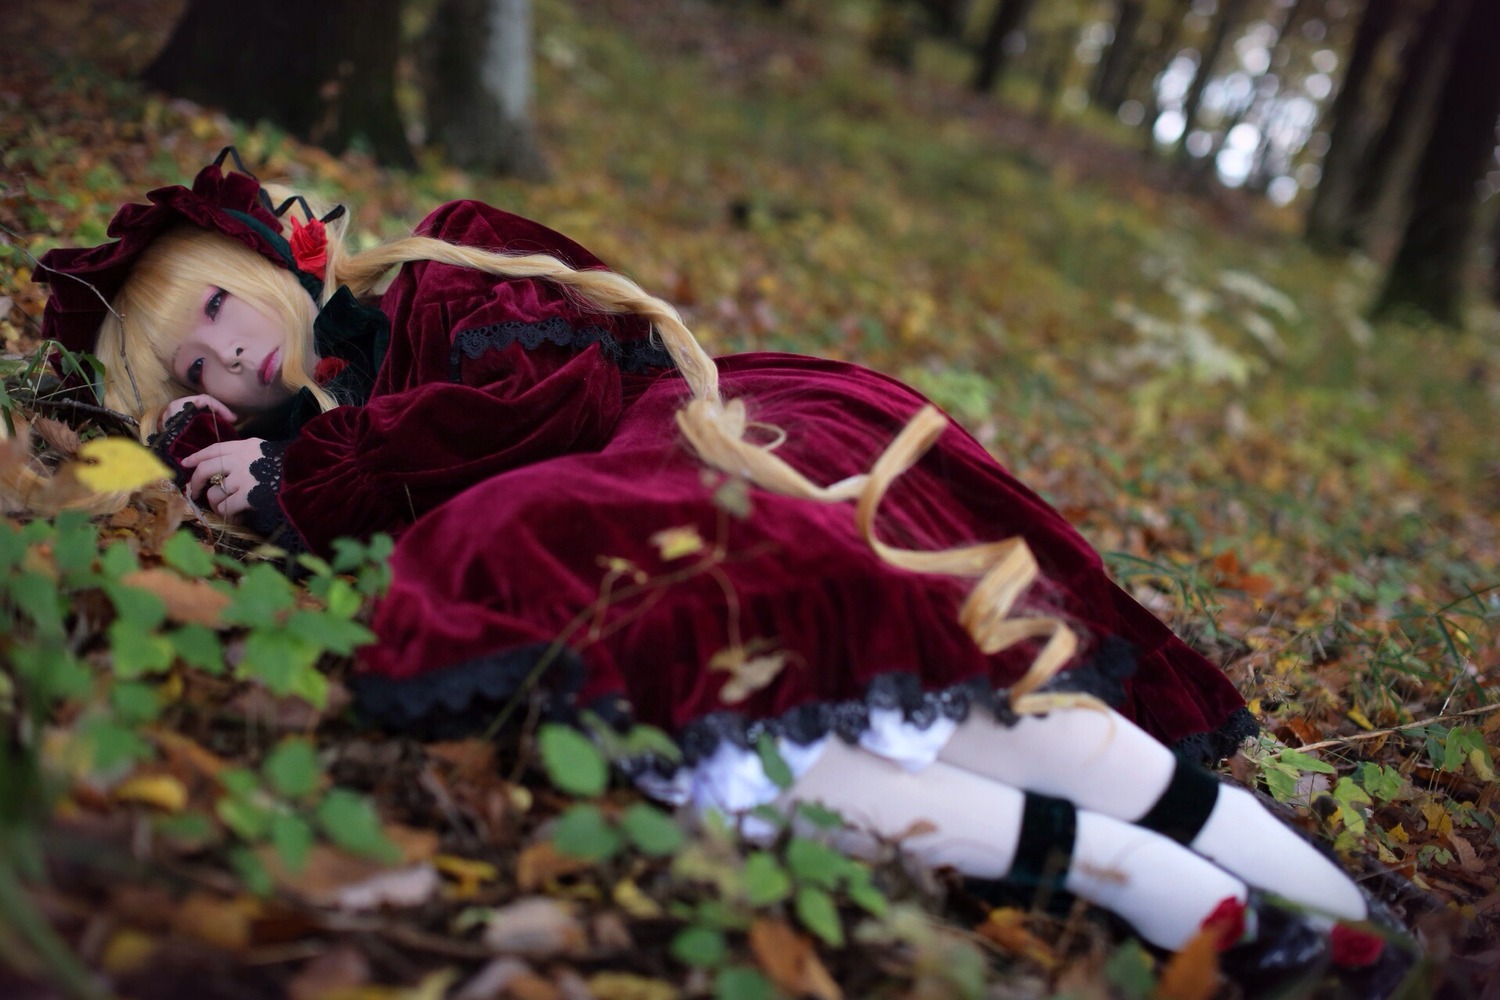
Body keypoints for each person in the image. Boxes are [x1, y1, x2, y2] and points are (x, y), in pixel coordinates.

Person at [38, 149, 1398, 981]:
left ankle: (1292, 885)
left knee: (890, 641)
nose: (237, 356)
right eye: (195, 374)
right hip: (618, 540)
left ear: (262, 251)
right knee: (728, 744)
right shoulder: (306, 463)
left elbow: (559, 394)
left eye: (219, 306)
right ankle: (1168, 883)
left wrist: (309, 475)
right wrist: (250, 478)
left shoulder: (454, 266)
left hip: (724, 429)